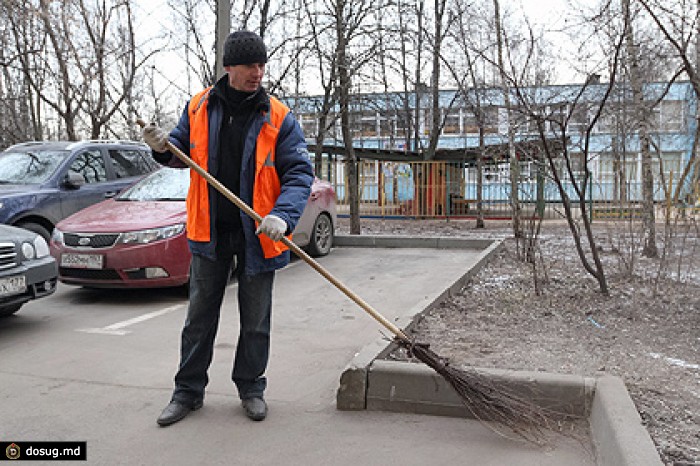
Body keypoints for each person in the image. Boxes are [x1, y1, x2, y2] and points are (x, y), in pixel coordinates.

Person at [142, 30, 313, 427]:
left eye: (261, 65)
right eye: (250, 65)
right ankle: (187, 391)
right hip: (210, 233)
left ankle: (251, 388)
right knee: (199, 320)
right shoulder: (199, 106)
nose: (258, 72)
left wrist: (283, 216)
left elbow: (300, 174)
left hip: (259, 234)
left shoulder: (278, 116)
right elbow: (178, 154)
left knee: (255, 322)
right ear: (229, 68)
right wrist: (159, 147)